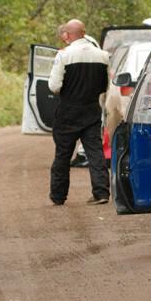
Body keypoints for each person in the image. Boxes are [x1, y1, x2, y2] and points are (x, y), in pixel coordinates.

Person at [48, 19, 110, 205]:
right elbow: (103, 86)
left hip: (68, 111)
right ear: (84, 32)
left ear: (68, 34)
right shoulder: (102, 56)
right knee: (95, 152)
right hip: (91, 109)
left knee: (63, 154)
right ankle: (101, 193)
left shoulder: (64, 55)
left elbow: (54, 86)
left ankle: (58, 196)